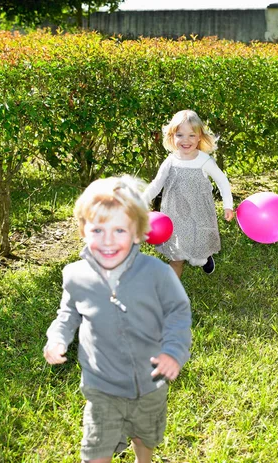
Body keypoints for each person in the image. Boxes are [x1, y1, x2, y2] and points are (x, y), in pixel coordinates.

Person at [43, 175, 192, 463]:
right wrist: (57, 337)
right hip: (102, 385)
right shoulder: (76, 276)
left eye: (119, 230)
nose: (108, 240)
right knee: (95, 450)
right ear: (83, 230)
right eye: (98, 229)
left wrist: (173, 352)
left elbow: (178, 311)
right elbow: (67, 314)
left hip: (148, 382)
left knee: (143, 435)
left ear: (138, 233)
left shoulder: (157, 273)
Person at [142, 109, 234, 279]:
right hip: (175, 214)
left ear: (200, 137)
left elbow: (222, 181)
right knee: (176, 257)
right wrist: (141, 202)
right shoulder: (170, 160)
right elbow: (156, 185)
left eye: (192, 135)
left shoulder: (204, 160)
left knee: (198, 252)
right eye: (180, 135)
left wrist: (228, 205)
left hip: (200, 214)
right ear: (172, 137)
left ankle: (204, 260)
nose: (186, 140)